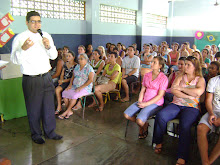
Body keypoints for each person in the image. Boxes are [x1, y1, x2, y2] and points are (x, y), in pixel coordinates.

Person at [10, 11, 62, 144]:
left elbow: (54, 56)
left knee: (48, 107)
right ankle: (36, 134)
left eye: (38, 21)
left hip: (46, 77)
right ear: (27, 22)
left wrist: (48, 46)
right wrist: (23, 48)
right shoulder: (20, 38)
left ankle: (50, 132)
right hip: (31, 79)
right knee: (34, 109)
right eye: (33, 21)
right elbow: (14, 60)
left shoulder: (46, 36)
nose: (36, 24)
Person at [153, 56, 205, 165]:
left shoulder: (200, 79)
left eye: (188, 65)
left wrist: (182, 89)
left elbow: (198, 92)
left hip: (191, 107)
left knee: (185, 126)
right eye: (184, 64)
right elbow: (173, 90)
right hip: (176, 104)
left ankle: (182, 156)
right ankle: (158, 142)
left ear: (195, 67)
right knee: (161, 116)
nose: (185, 67)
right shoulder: (180, 76)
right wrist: (189, 95)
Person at [124, 56, 168, 139]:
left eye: (154, 62)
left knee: (139, 120)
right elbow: (143, 89)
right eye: (152, 62)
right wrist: (140, 100)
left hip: (155, 103)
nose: (151, 64)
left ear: (160, 66)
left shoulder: (163, 78)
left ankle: (142, 126)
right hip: (144, 101)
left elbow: (160, 95)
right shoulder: (147, 75)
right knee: (127, 115)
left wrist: (146, 104)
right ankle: (144, 125)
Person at [58, 53, 94, 119]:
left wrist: (81, 87)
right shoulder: (77, 66)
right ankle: (69, 111)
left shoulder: (89, 68)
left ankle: (66, 111)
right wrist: (70, 85)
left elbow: (90, 80)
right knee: (64, 93)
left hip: (85, 87)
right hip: (75, 86)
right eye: (79, 59)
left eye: (81, 59)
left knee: (74, 96)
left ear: (86, 59)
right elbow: (73, 77)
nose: (79, 60)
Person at [197, 75, 220, 165]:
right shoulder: (214, 81)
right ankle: (205, 162)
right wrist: (211, 113)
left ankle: (209, 162)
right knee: (201, 128)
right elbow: (208, 100)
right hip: (214, 111)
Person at [55, 50, 77, 115]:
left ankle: (63, 108)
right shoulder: (65, 64)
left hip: (71, 82)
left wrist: (63, 81)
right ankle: (59, 106)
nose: (67, 57)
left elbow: (73, 77)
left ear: (73, 57)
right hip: (64, 81)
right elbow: (62, 74)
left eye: (69, 56)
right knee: (55, 88)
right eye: (67, 56)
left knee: (59, 90)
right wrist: (61, 80)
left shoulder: (76, 66)